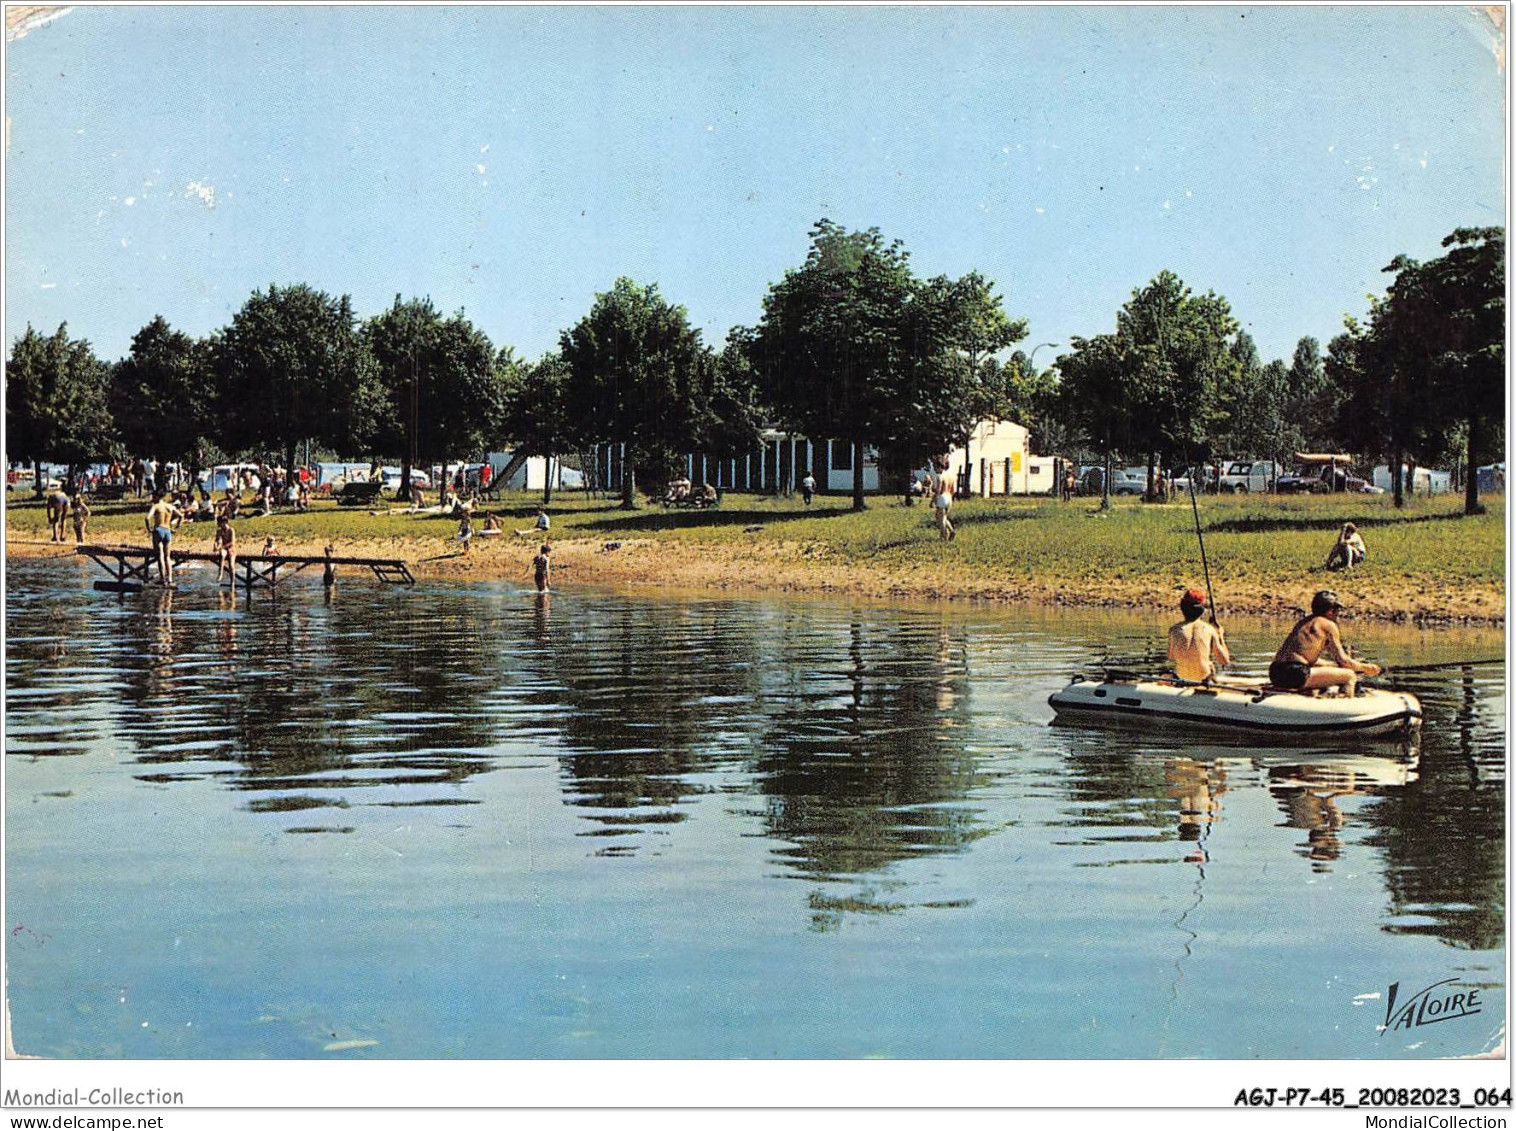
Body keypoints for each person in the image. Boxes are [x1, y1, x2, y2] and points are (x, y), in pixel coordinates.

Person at [1270, 590, 1382, 697]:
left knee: (1325, 668)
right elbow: (1345, 662)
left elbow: (1303, 657)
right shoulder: (1328, 625)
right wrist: (1367, 668)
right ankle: (1345, 703)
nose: (1337, 614)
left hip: (1275, 673)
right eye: (1337, 610)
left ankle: (1311, 696)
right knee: (1349, 675)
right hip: (1296, 674)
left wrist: (1332, 665)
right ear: (1330, 611)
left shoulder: (1303, 623)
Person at [1167, 588, 1230, 682]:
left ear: (1183, 608)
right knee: (1210, 666)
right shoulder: (1209, 630)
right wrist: (1220, 636)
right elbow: (1224, 661)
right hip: (1204, 681)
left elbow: (1171, 656)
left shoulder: (1174, 630)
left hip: (1183, 680)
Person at [145, 491, 180, 585]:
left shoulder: (156, 506)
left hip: (158, 530)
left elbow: (147, 518)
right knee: (167, 557)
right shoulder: (170, 506)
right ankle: (170, 579)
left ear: (157, 497)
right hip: (167, 530)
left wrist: (149, 529)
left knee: (160, 556)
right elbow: (181, 515)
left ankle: (162, 578)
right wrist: (176, 528)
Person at [930, 458, 955, 541]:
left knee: (940, 519)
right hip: (949, 497)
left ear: (939, 467)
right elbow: (953, 490)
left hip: (942, 497)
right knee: (943, 517)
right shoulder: (950, 476)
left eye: (935, 467)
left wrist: (932, 501)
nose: (934, 469)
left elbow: (938, 490)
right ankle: (951, 531)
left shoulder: (940, 476)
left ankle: (944, 535)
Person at [213, 514, 237, 586]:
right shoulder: (219, 531)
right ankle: (220, 573)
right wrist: (216, 546)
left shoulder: (231, 530)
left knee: (231, 565)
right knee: (222, 554)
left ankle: (232, 582)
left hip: (231, 549)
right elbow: (218, 540)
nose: (218, 524)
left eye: (219, 523)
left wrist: (221, 547)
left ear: (224, 522)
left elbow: (232, 543)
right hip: (224, 549)